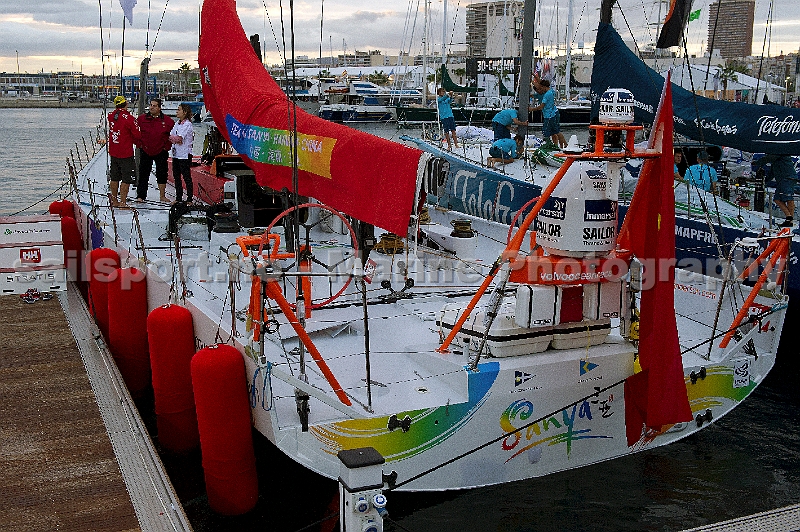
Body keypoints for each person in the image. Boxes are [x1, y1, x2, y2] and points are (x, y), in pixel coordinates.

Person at [136, 98, 174, 203]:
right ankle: (141, 196)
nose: (151, 107)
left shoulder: (168, 121)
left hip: (161, 151)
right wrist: (139, 144)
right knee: (143, 173)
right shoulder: (141, 119)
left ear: (159, 108)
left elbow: (173, 134)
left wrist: (167, 147)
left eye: (154, 105)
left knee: (162, 173)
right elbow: (134, 132)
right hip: (145, 150)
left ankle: (162, 195)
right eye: (151, 105)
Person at [107, 95, 142, 208]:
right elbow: (137, 135)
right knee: (126, 179)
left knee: (114, 177)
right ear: (126, 104)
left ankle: (114, 200)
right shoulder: (130, 119)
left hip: (113, 151)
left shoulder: (111, 116)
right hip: (126, 153)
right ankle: (123, 202)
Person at [753, 153, 798, 227]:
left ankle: (789, 219)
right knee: (777, 199)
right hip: (781, 180)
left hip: (788, 178)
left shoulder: (779, 153)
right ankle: (789, 217)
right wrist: (765, 181)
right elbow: (772, 172)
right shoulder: (775, 161)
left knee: (789, 198)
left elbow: (769, 158)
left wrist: (758, 162)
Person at [169, 103, 195, 203]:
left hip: (184, 154)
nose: (177, 112)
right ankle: (178, 197)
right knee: (176, 176)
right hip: (176, 154)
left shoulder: (187, 125)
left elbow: (179, 138)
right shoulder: (177, 123)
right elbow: (172, 136)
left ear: (184, 112)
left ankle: (189, 198)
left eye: (179, 110)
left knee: (186, 177)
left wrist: (175, 138)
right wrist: (174, 139)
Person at [530, 78, 566, 148]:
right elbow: (541, 83)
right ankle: (560, 145)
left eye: (541, 88)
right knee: (555, 131)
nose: (540, 89)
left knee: (546, 131)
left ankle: (550, 145)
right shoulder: (551, 91)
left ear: (544, 87)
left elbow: (541, 107)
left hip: (549, 115)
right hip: (553, 113)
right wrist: (532, 78)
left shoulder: (546, 95)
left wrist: (531, 109)